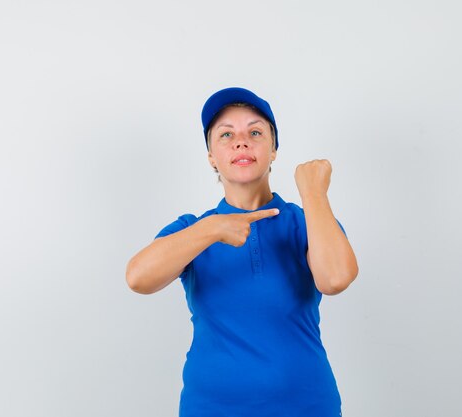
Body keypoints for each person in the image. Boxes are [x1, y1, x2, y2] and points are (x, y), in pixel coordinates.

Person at [126, 87, 359, 417]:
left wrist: (314, 194)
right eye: (226, 135)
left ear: (274, 150)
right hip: (211, 408)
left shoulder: (307, 221)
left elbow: (335, 278)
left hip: (306, 406)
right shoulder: (191, 230)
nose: (241, 141)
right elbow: (138, 278)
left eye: (255, 132)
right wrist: (212, 228)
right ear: (211, 157)